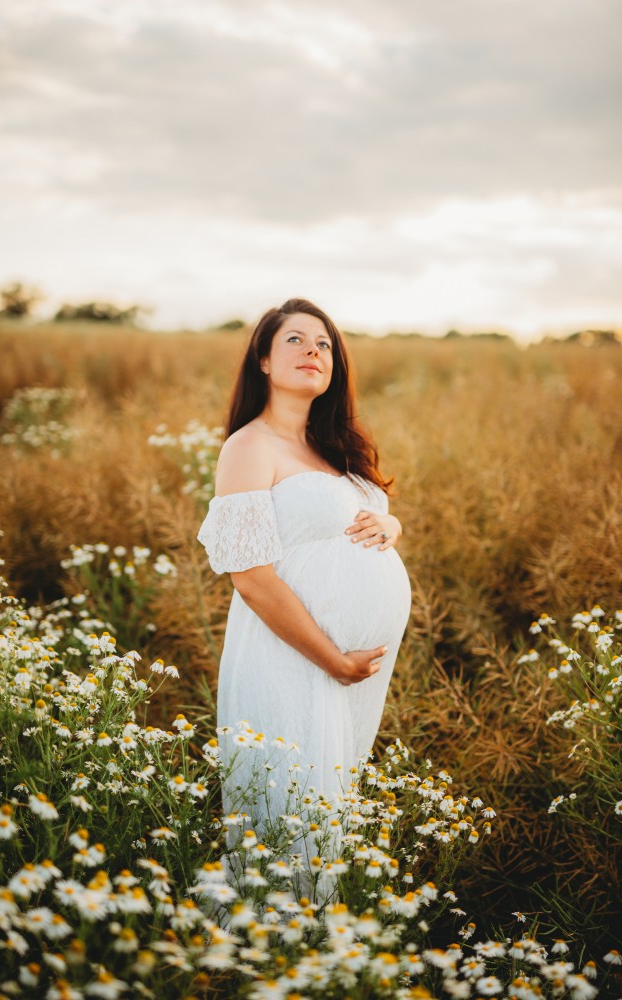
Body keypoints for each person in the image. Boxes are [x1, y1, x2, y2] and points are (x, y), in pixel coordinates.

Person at [197, 298, 412, 865]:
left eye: (324, 344)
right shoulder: (249, 446)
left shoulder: (333, 445)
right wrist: (333, 660)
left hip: (346, 671)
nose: (313, 350)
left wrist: (389, 522)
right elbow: (250, 577)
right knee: (289, 817)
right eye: (295, 340)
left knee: (325, 815)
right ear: (263, 361)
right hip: (291, 658)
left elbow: (344, 525)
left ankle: (316, 940)